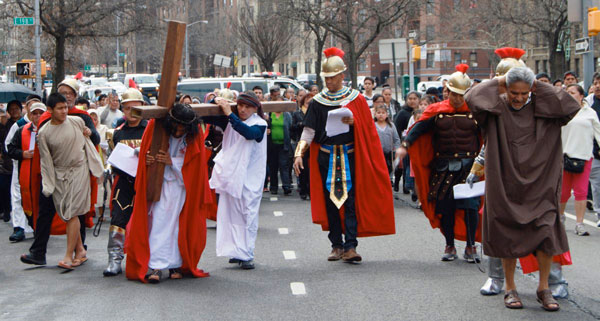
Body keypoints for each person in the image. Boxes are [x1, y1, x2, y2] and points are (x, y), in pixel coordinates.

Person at [465, 66, 579, 311]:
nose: (518, 98)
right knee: (508, 237)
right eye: (513, 92)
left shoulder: (545, 109)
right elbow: (472, 97)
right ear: (506, 89)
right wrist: (500, 80)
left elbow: (570, 105)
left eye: (524, 93)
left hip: (541, 185)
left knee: (547, 233)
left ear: (532, 91)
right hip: (506, 185)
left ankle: (543, 287)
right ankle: (510, 288)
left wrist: (538, 85)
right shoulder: (496, 109)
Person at [293, 47, 395, 262]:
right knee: (330, 201)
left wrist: (354, 122)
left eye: (332, 77)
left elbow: (368, 128)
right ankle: (336, 244)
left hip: (349, 155)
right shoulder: (318, 101)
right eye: (326, 78)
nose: (329, 81)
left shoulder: (355, 99)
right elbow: (309, 130)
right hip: (326, 156)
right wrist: (299, 154)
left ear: (341, 75)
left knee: (349, 200)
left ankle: (350, 245)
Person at [399, 64, 482, 263]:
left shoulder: (477, 112)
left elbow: (488, 135)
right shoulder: (436, 111)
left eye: (461, 94)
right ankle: (450, 244)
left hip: (470, 166)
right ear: (448, 91)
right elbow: (418, 129)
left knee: (471, 207)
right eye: (454, 94)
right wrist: (406, 145)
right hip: (443, 166)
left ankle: (471, 246)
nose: (457, 98)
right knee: (446, 208)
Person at [125, 103, 213, 283]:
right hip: (159, 184)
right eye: (176, 128)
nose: (179, 133)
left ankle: (175, 264)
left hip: (181, 187)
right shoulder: (155, 126)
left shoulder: (193, 134)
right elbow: (145, 153)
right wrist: (148, 159)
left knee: (177, 227)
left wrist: (171, 161)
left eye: (183, 130)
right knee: (158, 222)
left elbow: (195, 165)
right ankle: (156, 265)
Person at [20, 78, 100, 266]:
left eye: (69, 93)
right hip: (54, 173)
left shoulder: (81, 118)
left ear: (74, 96)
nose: (66, 98)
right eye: (62, 93)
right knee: (46, 211)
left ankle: (77, 250)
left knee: (75, 212)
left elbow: (94, 140)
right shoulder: (47, 121)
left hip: (77, 172)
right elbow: (43, 152)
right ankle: (39, 251)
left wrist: (89, 132)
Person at [37, 93, 104, 269]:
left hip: (79, 170)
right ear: (50, 110)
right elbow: (46, 161)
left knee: (72, 212)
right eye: (60, 108)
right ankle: (80, 250)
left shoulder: (77, 121)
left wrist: (97, 170)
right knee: (67, 213)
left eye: (66, 107)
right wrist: (48, 183)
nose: (64, 111)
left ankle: (68, 255)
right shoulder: (43, 132)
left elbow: (91, 144)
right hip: (59, 174)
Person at [208, 92, 268, 269]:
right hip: (232, 175)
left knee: (247, 214)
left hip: (251, 176)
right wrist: (215, 100)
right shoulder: (230, 120)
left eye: (247, 107)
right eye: (240, 106)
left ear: (255, 109)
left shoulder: (260, 124)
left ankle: (247, 253)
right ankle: (236, 251)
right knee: (231, 213)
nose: (242, 110)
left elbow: (248, 133)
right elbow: (206, 117)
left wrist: (229, 114)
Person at [103, 88, 148, 276]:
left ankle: (148, 260)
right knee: (118, 220)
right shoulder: (115, 133)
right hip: (123, 183)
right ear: (122, 109)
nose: (131, 112)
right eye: (127, 108)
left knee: (148, 222)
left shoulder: (151, 131)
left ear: (143, 108)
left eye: (135, 108)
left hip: (147, 183)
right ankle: (115, 259)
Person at [560, 84, 600, 236]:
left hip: (584, 157)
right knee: (563, 193)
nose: (569, 95)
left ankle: (579, 224)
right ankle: (560, 219)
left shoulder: (590, 113)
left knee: (581, 192)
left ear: (581, 96)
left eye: (573, 92)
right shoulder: (561, 111)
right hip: (564, 156)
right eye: (567, 92)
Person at [6, 101, 45, 242]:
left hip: (44, 172)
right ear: (29, 113)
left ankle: (39, 229)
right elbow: (9, 148)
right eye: (34, 113)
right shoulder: (21, 129)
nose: (38, 116)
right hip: (24, 170)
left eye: (41, 113)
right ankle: (19, 228)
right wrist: (22, 154)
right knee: (20, 198)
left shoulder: (51, 128)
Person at [0, 100, 22, 223]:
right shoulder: (4, 125)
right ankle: (7, 210)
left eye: (16, 109)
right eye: (11, 109)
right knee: (4, 186)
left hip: (19, 159)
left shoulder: (24, 124)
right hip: (6, 160)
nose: (14, 111)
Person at [291, 93, 314, 200]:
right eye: (307, 100)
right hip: (301, 142)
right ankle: (303, 190)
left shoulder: (314, 113)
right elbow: (292, 127)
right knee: (302, 168)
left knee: (312, 169)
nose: (309, 102)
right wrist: (300, 124)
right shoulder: (297, 113)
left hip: (313, 144)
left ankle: (311, 190)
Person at [266, 107, 292, 195]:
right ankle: (273, 187)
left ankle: (286, 186)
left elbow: (290, 127)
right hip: (272, 145)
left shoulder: (287, 115)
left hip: (283, 145)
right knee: (273, 166)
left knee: (284, 165)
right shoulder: (269, 115)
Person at [374, 105, 401, 183]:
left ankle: (390, 183)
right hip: (377, 154)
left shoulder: (391, 125)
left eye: (383, 113)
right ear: (375, 114)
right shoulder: (373, 125)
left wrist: (396, 150)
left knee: (389, 170)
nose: (381, 114)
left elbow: (396, 140)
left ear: (387, 114)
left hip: (389, 154)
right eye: (378, 112)